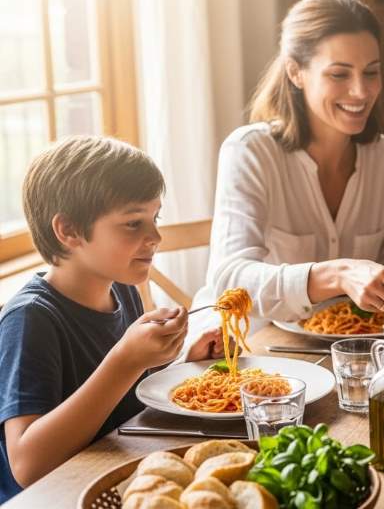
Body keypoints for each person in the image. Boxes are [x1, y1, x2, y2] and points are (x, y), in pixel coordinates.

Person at [187, 0, 384, 345]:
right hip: (251, 349)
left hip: (350, 352)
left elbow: (379, 264)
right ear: (295, 72)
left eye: (371, 72)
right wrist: (339, 273)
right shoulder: (250, 152)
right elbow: (229, 279)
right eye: (339, 74)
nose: (360, 91)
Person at [0, 136, 222, 503]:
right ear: (68, 231)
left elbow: (127, 402)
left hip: (114, 478)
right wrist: (126, 361)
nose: (155, 236)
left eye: (155, 218)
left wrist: (183, 364)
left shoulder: (123, 290)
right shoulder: (30, 320)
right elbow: (28, 464)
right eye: (134, 223)